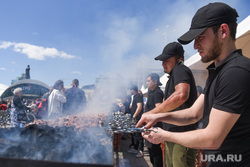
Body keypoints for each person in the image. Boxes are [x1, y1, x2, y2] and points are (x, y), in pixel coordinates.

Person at [137, 2, 250, 167]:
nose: (196, 45)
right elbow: (193, 114)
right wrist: (156, 116)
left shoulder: (236, 71)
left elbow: (213, 138)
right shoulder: (218, 72)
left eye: (201, 37)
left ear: (223, 31)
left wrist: (164, 135)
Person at [143, 42, 198, 167]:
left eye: (167, 60)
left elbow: (181, 95)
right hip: (173, 134)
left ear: (179, 59)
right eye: (162, 60)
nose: (163, 63)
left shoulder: (180, 68)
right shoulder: (171, 78)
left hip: (182, 135)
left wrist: (151, 114)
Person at [145, 73, 164, 167]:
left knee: (155, 152)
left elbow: (159, 109)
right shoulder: (151, 92)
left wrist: (147, 115)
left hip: (155, 126)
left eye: (148, 81)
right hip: (150, 125)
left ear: (155, 82)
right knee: (151, 151)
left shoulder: (157, 93)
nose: (147, 83)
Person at [128, 85, 144, 158]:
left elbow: (140, 106)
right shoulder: (134, 96)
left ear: (133, 90)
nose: (130, 91)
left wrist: (134, 116)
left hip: (137, 119)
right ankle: (135, 148)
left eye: (130, 90)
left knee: (139, 135)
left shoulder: (138, 96)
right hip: (134, 118)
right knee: (135, 134)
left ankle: (141, 151)